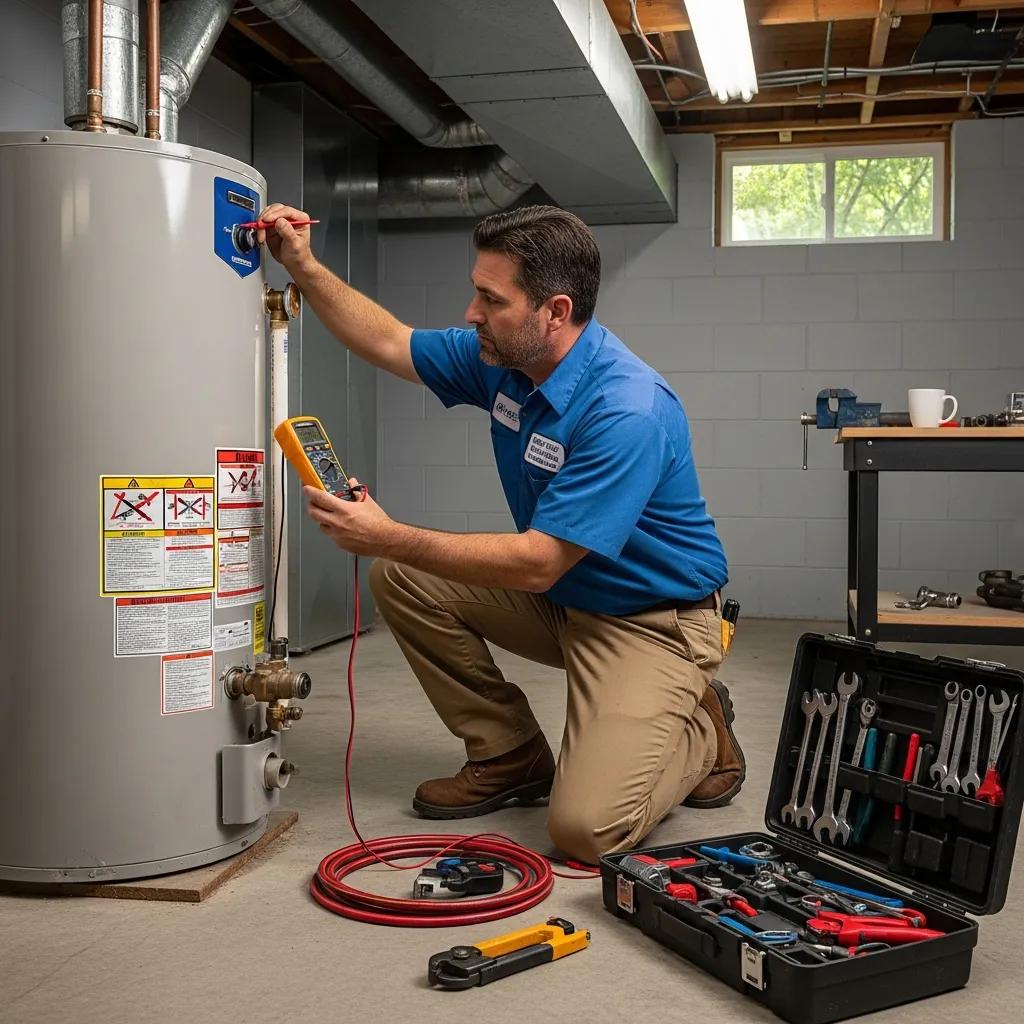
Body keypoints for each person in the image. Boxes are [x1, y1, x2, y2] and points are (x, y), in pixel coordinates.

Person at [258, 202, 744, 865]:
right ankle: (512, 754)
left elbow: (540, 561)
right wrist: (303, 267)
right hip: (567, 597)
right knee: (402, 577)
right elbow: (389, 341)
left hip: (651, 618)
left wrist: (388, 533)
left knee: (586, 831)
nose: (470, 313)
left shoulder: (626, 410)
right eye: (475, 291)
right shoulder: (506, 359)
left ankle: (697, 724)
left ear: (555, 310)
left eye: (491, 298)